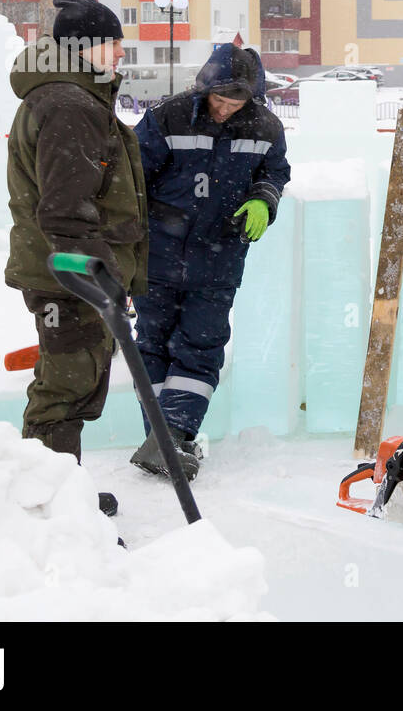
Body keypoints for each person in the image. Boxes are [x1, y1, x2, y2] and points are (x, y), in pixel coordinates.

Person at [5, 0, 146, 518]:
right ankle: (49, 508)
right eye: (114, 44)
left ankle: (61, 493)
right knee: (67, 383)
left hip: (65, 269)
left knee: (75, 379)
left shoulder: (68, 98)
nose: (121, 54)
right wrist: (98, 276)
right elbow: (66, 212)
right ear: (84, 47)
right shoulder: (69, 105)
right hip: (68, 273)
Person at [128, 44, 290, 479]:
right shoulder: (169, 116)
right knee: (153, 346)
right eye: (218, 99)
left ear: (251, 99)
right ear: (204, 89)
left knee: (201, 348)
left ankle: (170, 438)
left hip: (219, 258)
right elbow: (133, 176)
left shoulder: (267, 127)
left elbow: (275, 172)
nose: (224, 109)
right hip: (158, 256)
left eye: (234, 102)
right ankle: (164, 441)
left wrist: (263, 200)